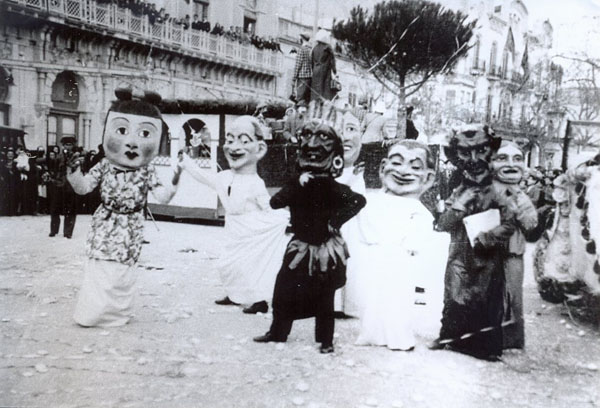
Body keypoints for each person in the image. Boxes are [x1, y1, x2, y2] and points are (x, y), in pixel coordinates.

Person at [254, 102, 366, 353]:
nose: (313, 148)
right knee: (284, 290)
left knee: (324, 297)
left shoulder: (330, 187)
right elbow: (276, 202)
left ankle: (324, 341)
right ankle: (279, 332)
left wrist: (334, 221)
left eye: (322, 141)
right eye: (308, 140)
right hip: (301, 247)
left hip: (325, 249)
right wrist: (297, 183)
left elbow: (359, 200)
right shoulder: (301, 182)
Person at [67, 88, 182, 327]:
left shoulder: (147, 170)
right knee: (100, 268)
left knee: (122, 272)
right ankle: (93, 314)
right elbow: (84, 187)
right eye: (122, 130)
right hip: (106, 222)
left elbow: (162, 195)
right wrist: (74, 173)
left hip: (131, 226)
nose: (131, 142)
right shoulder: (105, 165)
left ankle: (116, 315)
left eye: (144, 134)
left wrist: (174, 180)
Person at [180, 116, 289, 314]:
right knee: (228, 263)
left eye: (244, 141)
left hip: (251, 231)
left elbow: (268, 206)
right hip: (233, 229)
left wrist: (282, 218)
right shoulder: (225, 177)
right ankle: (234, 294)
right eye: (230, 141)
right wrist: (187, 164)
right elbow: (205, 178)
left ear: (260, 149)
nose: (234, 147)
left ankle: (259, 300)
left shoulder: (256, 183)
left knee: (251, 266)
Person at [429, 124, 518, 361]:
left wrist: (487, 238)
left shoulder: (501, 190)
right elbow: (443, 223)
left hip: (487, 255)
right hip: (459, 251)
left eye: (480, 151)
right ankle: (448, 336)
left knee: (486, 296)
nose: (474, 159)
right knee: (454, 292)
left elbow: (510, 225)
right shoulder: (458, 190)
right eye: (466, 153)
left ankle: (485, 347)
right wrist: (460, 205)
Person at [353, 141, 450, 350]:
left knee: (398, 300)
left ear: (429, 177)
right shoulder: (371, 201)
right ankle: (372, 332)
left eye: (415, 167)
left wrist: (406, 247)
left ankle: (398, 337)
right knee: (372, 297)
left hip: (401, 261)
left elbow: (420, 236)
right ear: (382, 167)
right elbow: (364, 224)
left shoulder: (418, 209)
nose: (403, 171)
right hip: (375, 257)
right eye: (396, 163)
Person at [490, 141, 538, 350]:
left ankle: (510, 339)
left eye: (517, 159)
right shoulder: (485, 189)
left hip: (512, 251)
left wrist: (521, 207)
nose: (511, 164)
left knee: (512, 295)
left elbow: (531, 224)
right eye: (503, 158)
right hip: (487, 250)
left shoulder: (521, 195)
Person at [333, 108, 366, 318]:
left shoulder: (357, 174)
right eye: (339, 129)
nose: (345, 135)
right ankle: (333, 302)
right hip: (333, 224)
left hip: (351, 227)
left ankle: (345, 303)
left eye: (351, 129)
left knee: (350, 259)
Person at [48, 136, 78, 238]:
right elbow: (54, 169)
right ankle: (54, 230)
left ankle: (68, 232)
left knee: (70, 209)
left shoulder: (76, 157)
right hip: (59, 184)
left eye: (70, 145)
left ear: (73, 146)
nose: (67, 147)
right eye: (66, 145)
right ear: (62, 145)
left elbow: (77, 169)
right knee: (55, 208)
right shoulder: (58, 157)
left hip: (71, 185)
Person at [310, 30, 337, 102]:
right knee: (325, 92)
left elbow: (311, 61)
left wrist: (314, 69)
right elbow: (332, 60)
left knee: (315, 91)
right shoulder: (328, 48)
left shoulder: (315, 48)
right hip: (325, 71)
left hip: (315, 71)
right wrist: (334, 71)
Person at [292, 34, 312, 106]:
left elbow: (298, 65)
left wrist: (294, 78)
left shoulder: (301, 49)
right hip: (310, 77)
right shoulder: (310, 50)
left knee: (299, 98)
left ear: (302, 39)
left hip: (302, 77)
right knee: (306, 100)